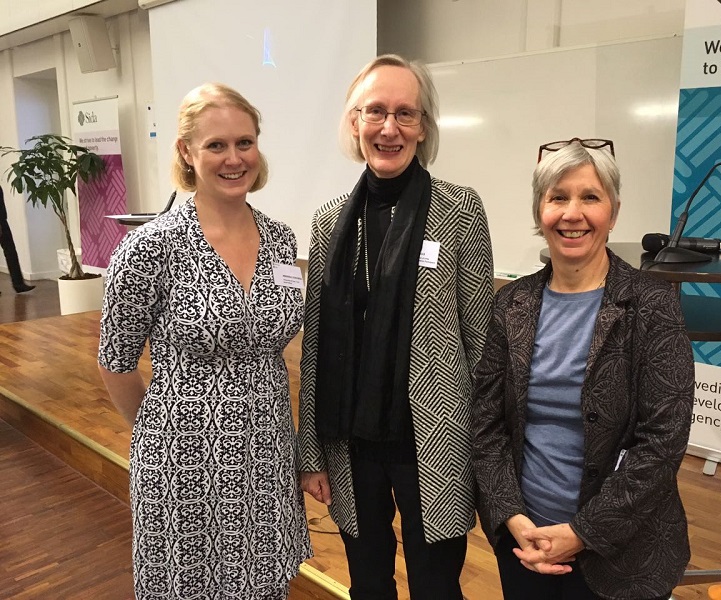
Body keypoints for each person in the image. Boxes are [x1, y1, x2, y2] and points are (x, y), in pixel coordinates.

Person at [97, 83, 311, 600]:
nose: (234, 159)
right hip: (185, 465)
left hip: (267, 457)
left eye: (244, 143)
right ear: (186, 152)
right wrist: (163, 431)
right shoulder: (150, 248)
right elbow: (115, 362)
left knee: (264, 586)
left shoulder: (280, 239)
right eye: (216, 145)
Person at [298, 54, 494, 599]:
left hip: (436, 438)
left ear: (423, 127)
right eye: (376, 112)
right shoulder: (329, 221)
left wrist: (489, 451)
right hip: (351, 440)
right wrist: (310, 453)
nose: (390, 128)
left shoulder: (459, 209)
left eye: (405, 113)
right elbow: (316, 346)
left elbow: (482, 342)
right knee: (368, 583)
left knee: (436, 587)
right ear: (354, 122)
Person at [471, 138, 694, 600]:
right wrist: (511, 516)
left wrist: (583, 532)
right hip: (525, 542)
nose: (572, 214)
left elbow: (662, 442)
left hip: (623, 554)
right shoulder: (511, 304)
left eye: (590, 197)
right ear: (540, 212)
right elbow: (486, 426)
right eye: (557, 197)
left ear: (613, 212)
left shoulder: (652, 305)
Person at [0, 185, 35, 295]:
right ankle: (18, 284)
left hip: (3, 222)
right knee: (10, 252)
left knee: (11, 252)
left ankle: (19, 284)